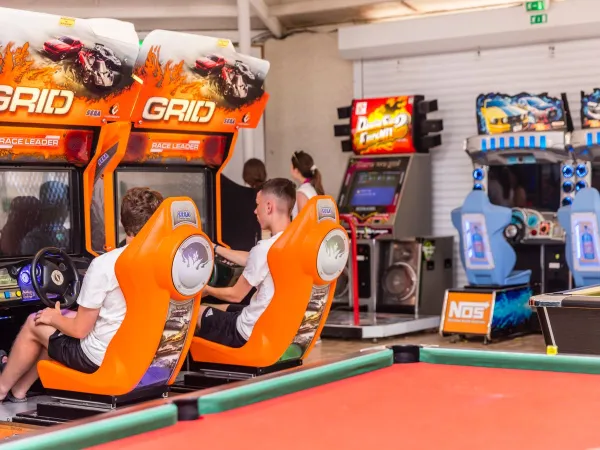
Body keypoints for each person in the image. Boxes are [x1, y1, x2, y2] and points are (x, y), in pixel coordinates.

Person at [0, 187, 163, 403]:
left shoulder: (105, 264)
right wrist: (59, 319)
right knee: (60, 324)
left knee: (35, 321)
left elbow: (79, 330)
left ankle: (1, 388)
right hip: (142, 349)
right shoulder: (164, 261)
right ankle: (19, 390)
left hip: (100, 356)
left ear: (123, 223)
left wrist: (54, 318)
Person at [196, 178, 295, 348]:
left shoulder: (264, 249)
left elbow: (236, 295)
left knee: (194, 313)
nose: (255, 211)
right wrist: (214, 248)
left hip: (245, 332)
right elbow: (251, 258)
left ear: (269, 206)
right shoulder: (293, 241)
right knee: (217, 306)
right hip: (274, 323)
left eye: (258, 205)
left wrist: (204, 290)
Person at [290, 150, 324, 219]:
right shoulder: (313, 187)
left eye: (291, 167)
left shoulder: (302, 192)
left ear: (296, 170)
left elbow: (303, 223)